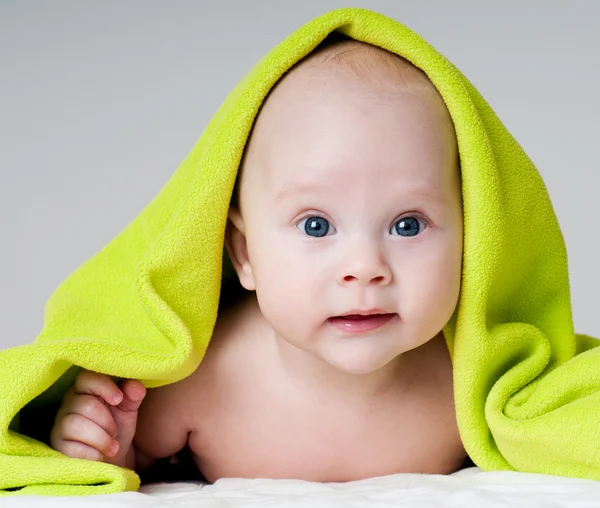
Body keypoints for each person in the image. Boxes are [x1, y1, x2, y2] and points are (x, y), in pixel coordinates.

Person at [48, 34, 468, 483]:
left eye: (408, 225)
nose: (365, 268)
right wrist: (106, 447)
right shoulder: (203, 380)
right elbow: (135, 471)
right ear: (245, 252)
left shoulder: (473, 385)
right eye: (316, 226)